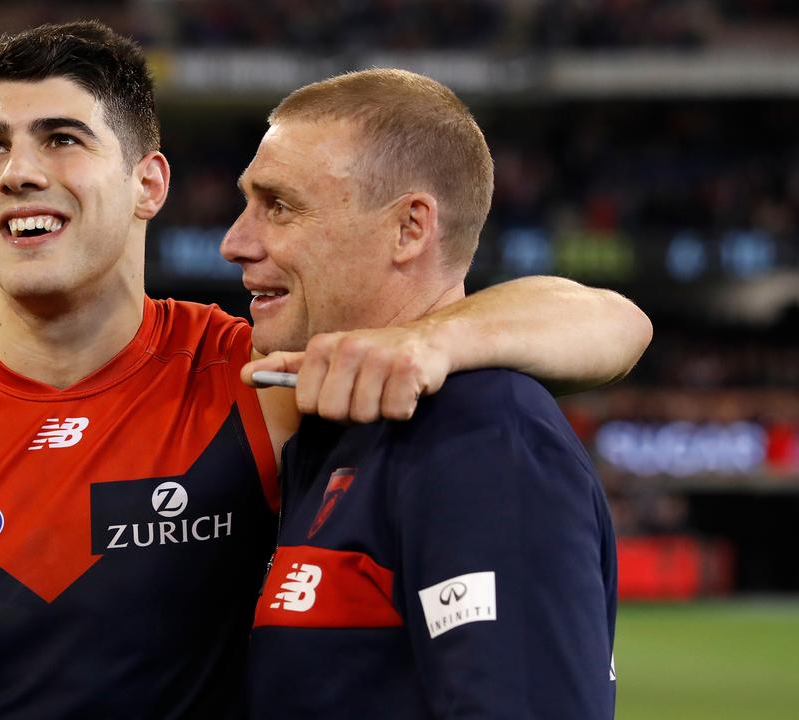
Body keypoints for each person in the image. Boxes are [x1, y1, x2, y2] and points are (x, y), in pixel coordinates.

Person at [0, 23, 648, 719]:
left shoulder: (262, 379)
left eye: (60, 138)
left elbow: (602, 320)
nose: (17, 169)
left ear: (147, 180)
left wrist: (432, 341)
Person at [229, 68, 624, 718]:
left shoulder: (484, 437)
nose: (235, 242)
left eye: (279, 206)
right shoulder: (334, 428)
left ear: (410, 229)